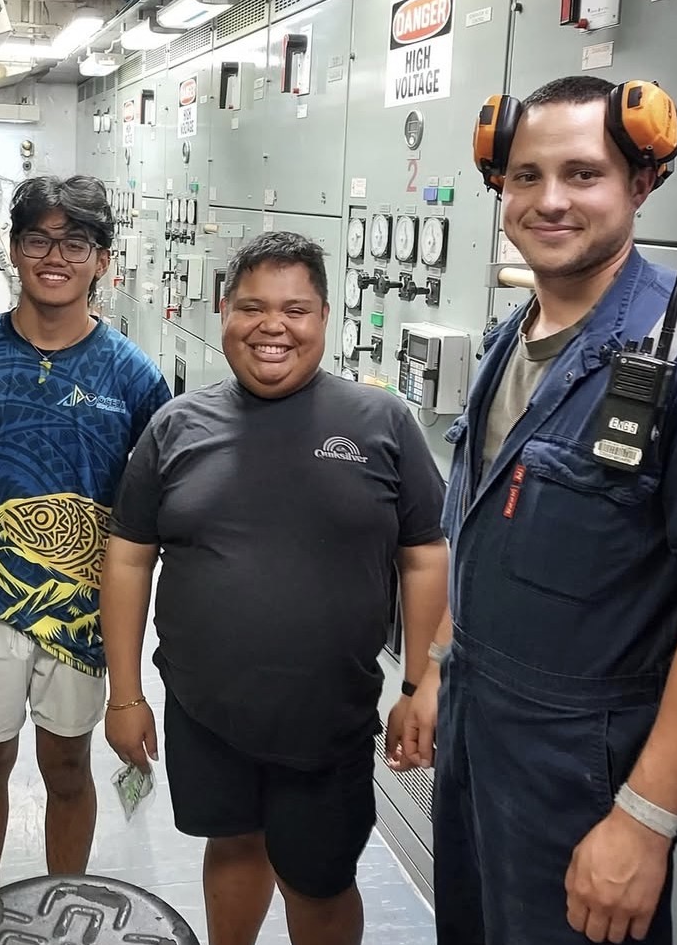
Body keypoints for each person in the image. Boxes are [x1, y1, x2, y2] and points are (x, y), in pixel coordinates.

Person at [398, 75, 677, 945]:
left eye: (582, 174)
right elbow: (480, 531)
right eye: (524, 176)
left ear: (640, 183)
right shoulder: (517, 333)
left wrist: (645, 820)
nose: (548, 200)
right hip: (479, 727)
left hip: (585, 762)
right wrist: (437, 668)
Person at [100, 231, 448, 945]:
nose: (272, 326)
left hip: (326, 716)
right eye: (252, 306)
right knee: (230, 842)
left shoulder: (381, 424)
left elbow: (423, 554)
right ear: (224, 310)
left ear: (325, 317)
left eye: (295, 308)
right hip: (205, 709)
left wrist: (420, 682)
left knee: (318, 878)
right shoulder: (175, 426)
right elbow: (129, 558)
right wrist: (126, 694)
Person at [0, 175, 170, 899]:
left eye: (75, 242)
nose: (54, 256)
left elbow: (155, 504)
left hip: (82, 607)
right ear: (13, 252)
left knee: (67, 765)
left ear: (103, 259)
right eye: (37, 239)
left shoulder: (134, 376)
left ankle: (61, 904)